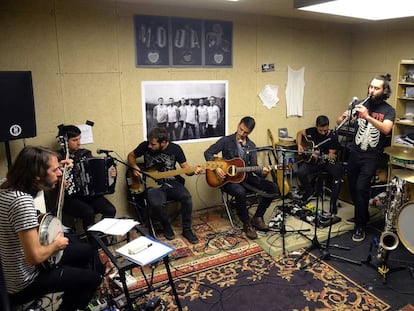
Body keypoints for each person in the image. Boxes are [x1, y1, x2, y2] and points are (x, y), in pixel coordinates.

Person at [0, 146, 102, 310]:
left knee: (85, 250)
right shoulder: (21, 202)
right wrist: (56, 245)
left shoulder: (5, 185)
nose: (60, 173)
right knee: (93, 278)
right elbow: (34, 257)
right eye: (55, 170)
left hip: (10, 269)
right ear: (37, 175)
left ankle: (72, 286)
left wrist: (56, 165)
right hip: (25, 281)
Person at [337, 73, 395, 242]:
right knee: (354, 188)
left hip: (371, 156)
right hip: (355, 153)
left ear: (384, 90)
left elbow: (386, 130)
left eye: (376, 88)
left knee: (362, 188)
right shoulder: (361, 103)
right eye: (371, 86)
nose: (372, 90)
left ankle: (360, 226)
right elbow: (338, 120)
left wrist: (368, 116)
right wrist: (344, 117)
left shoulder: (388, 110)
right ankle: (362, 215)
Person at [204, 116, 279, 239]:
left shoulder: (251, 145)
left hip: (247, 177)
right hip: (228, 180)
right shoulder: (226, 141)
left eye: (246, 132)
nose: (242, 133)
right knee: (240, 191)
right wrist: (215, 167)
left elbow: (255, 168)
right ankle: (247, 223)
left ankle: (257, 217)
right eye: (241, 130)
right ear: (239, 124)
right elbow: (207, 153)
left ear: (250, 132)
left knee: (273, 187)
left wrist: (264, 172)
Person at [127, 127, 202, 244]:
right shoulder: (145, 145)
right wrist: (135, 168)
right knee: (156, 203)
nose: (150, 146)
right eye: (149, 143)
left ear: (164, 143)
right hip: (153, 184)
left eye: (153, 144)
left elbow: (186, 169)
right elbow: (131, 156)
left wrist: (194, 171)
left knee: (187, 198)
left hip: (171, 182)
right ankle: (166, 226)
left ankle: (187, 230)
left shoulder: (175, 149)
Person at [57, 125, 116, 232]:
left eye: (79, 139)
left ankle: (101, 236)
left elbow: (98, 172)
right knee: (88, 212)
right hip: (71, 199)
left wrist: (110, 173)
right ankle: (94, 244)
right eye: (75, 140)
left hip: (90, 195)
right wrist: (60, 181)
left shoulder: (85, 153)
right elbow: (50, 181)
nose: (79, 143)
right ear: (65, 142)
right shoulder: (58, 157)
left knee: (110, 210)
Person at [296, 115, 343, 213]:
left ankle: (333, 203)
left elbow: (331, 155)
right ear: (316, 126)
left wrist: (320, 155)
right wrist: (299, 145)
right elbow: (299, 133)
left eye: (325, 130)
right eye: (320, 130)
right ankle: (309, 191)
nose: (323, 132)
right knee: (300, 172)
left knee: (337, 174)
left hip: (327, 161)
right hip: (314, 162)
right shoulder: (312, 131)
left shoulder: (333, 136)